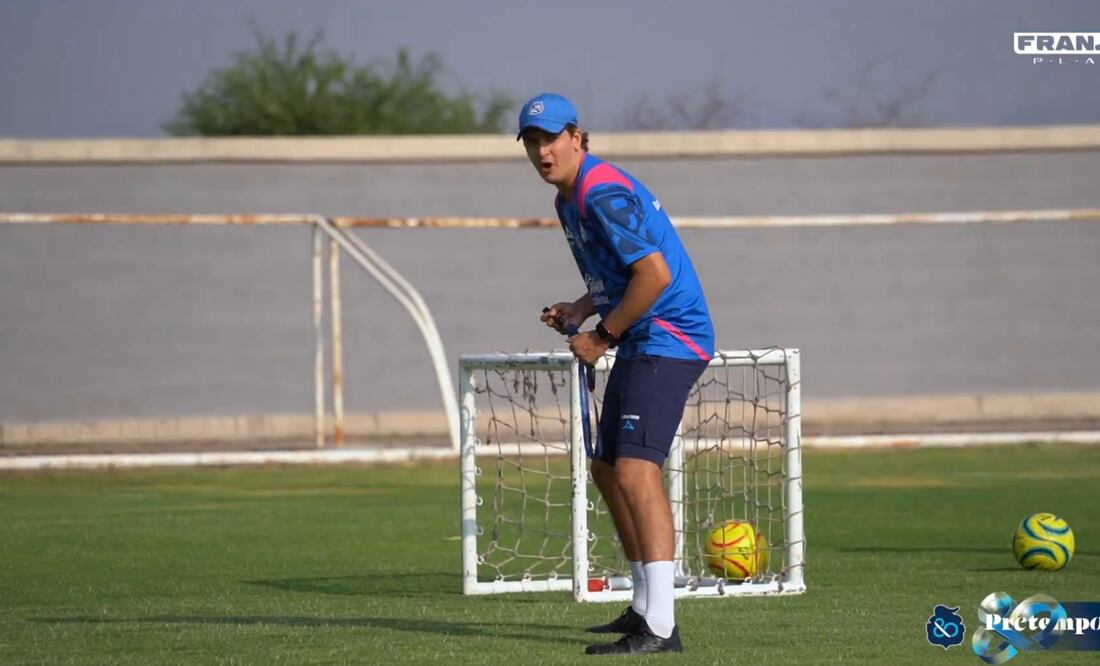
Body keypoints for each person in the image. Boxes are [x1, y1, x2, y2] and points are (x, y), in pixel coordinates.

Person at [518, 92, 715, 656]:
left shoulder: (600, 191)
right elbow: (622, 274)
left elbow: (652, 275)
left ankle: (662, 627)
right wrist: (582, 310)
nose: (542, 151)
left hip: (670, 337)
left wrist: (602, 337)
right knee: (607, 469)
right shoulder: (569, 199)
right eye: (532, 142)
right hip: (643, 334)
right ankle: (644, 608)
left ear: (579, 137)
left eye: (552, 138)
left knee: (634, 471)